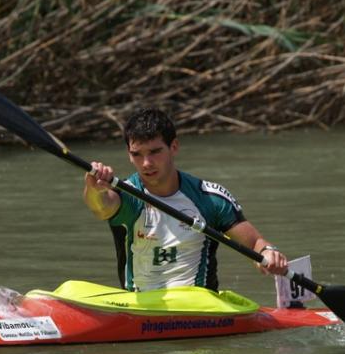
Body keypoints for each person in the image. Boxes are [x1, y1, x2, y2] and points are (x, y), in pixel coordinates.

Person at [83, 108, 288, 292]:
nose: (146, 163)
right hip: (140, 307)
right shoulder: (127, 195)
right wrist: (94, 188)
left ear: (174, 147)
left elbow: (255, 243)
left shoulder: (211, 199)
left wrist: (268, 253)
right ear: (129, 155)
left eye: (155, 152)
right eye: (137, 154)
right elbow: (101, 207)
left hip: (199, 306)